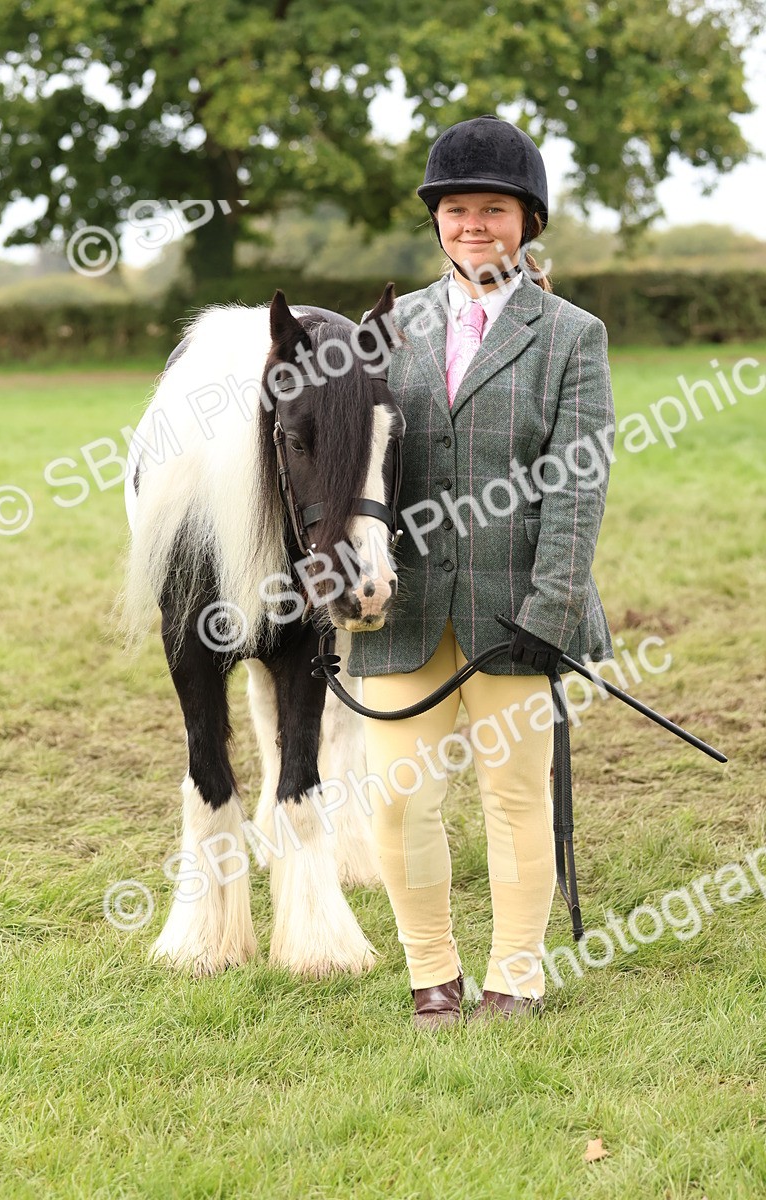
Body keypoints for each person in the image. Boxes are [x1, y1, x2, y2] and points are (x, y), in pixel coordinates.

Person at [346, 114, 616, 1029]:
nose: (473, 226)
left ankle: (517, 977)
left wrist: (551, 607)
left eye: (492, 209)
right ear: (436, 221)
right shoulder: (383, 329)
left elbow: (580, 485)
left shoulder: (573, 335)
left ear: (527, 221)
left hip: (518, 611)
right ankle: (432, 974)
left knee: (512, 799)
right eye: (456, 210)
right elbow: (348, 465)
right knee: (399, 806)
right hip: (402, 608)